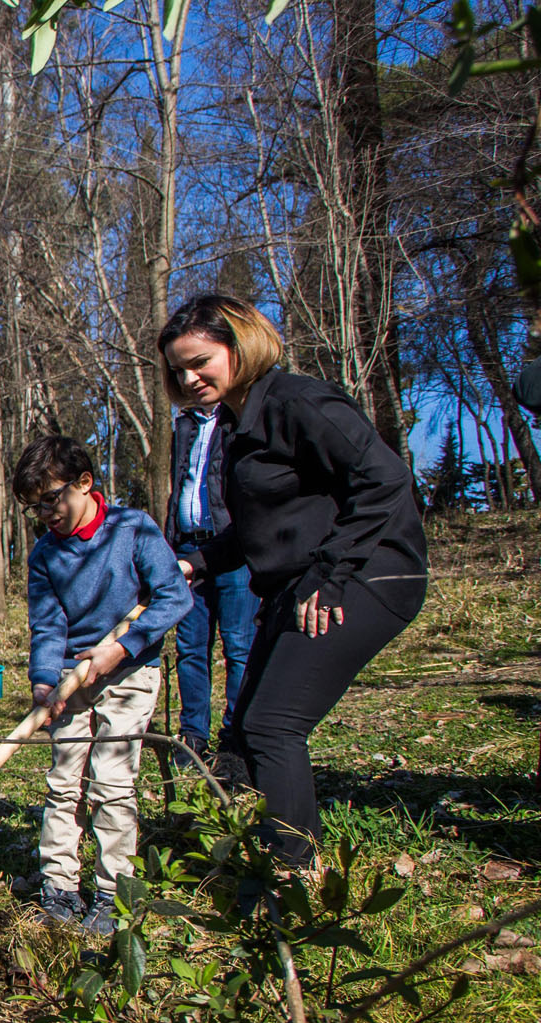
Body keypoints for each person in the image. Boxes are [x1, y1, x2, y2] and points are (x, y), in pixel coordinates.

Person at [160, 294, 427, 869]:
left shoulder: (299, 401)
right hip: (297, 583)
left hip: (368, 573)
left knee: (272, 724)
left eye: (201, 361)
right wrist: (192, 565)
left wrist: (331, 577)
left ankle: (292, 874)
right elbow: (259, 528)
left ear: (240, 346)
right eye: (178, 368)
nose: (189, 377)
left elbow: (384, 479)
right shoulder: (236, 425)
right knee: (246, 726)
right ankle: (264, 847)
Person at [18, 435, 193, 935]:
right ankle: (59, 885)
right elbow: (48, 627)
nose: (45, 514)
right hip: (72, 678)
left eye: (51, 499)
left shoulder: (132, 529)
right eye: (35, 508)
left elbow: (173, 598)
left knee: (112, 784)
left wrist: (122, 646)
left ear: (85, 483)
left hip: (129, 669)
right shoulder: (45, 554)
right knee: (63, 782)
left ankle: (115, 892)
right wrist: (45, 682)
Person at [165, 391, 258, 763]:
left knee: (238, 646)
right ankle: (192, 737)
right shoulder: (184, 424)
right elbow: (179, 486)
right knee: (190, 648)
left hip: (231, 548)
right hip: (187, 548)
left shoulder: (238, 419)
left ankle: (235, 736)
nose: (192, 382)